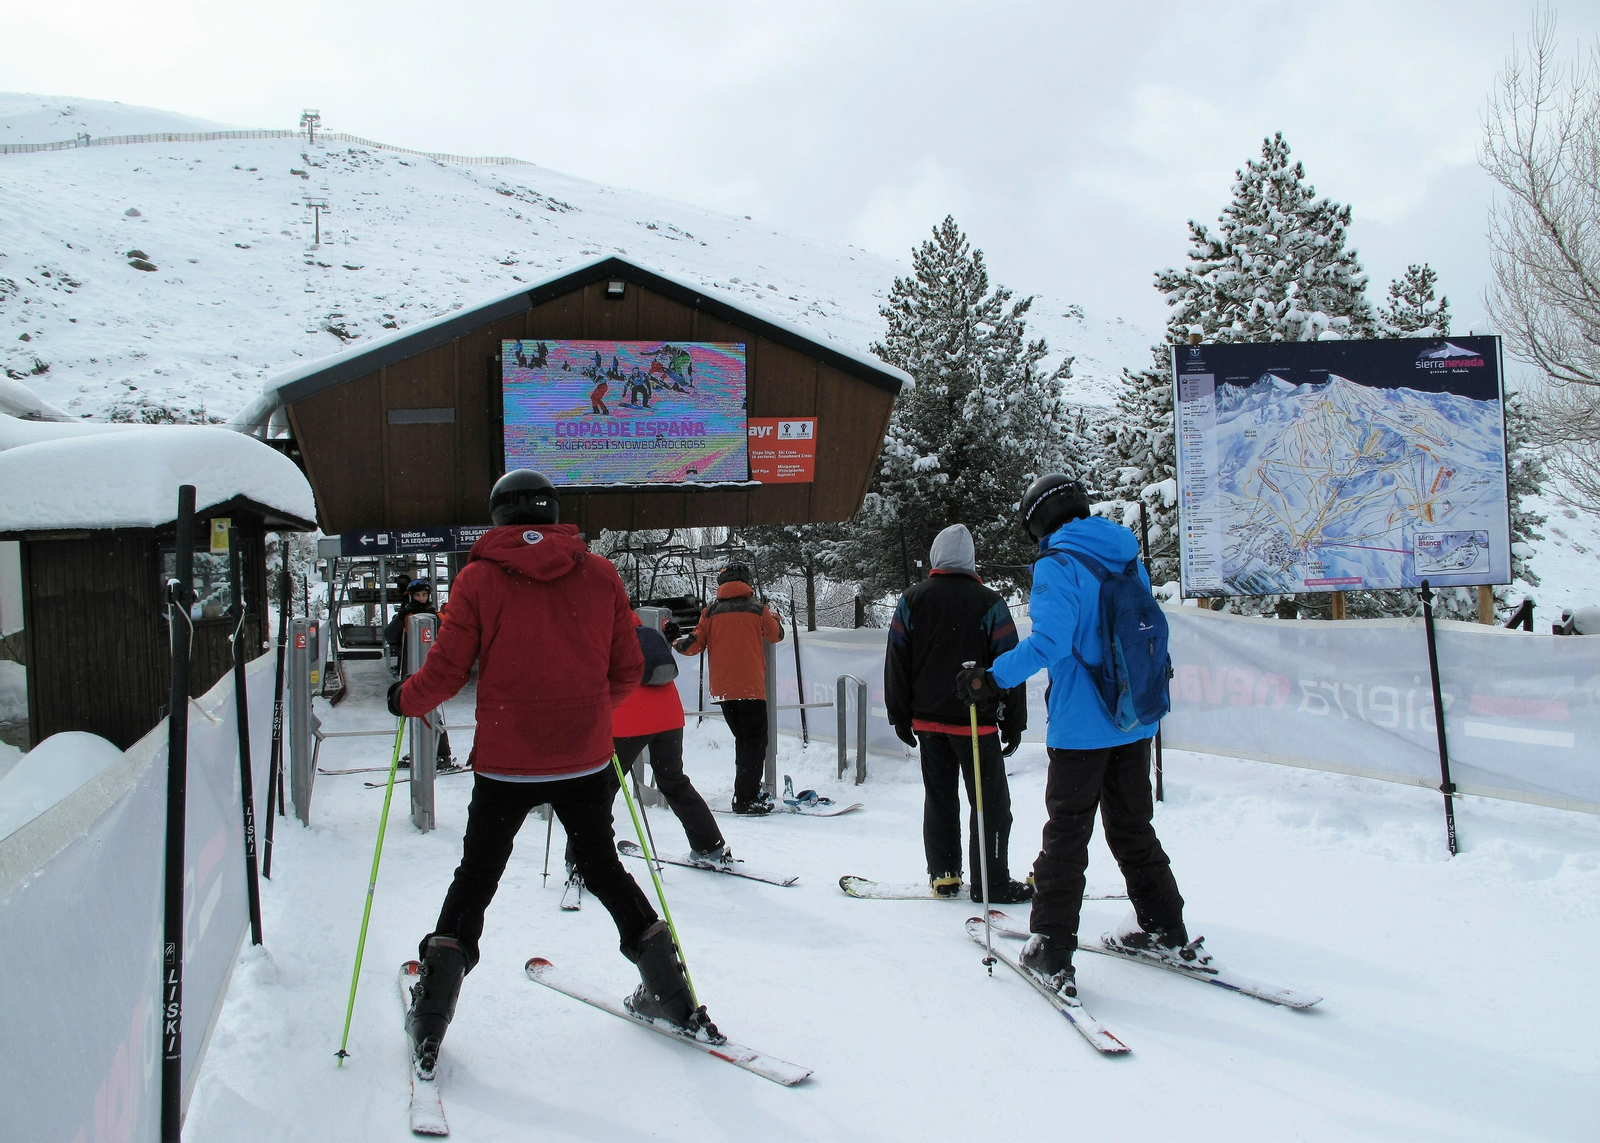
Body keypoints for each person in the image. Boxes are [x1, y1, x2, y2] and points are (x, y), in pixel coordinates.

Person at [388, 469, 718, 1076]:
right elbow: (628, 668)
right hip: (584, 758)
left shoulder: (477, 579)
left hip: (506, 763)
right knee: (604, 868)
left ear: (499, 515)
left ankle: (431, 1018)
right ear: (553, 512)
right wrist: (587, 715)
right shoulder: (599, 573)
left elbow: (447, 671)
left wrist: (403, 699)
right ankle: (673, 998)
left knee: (476, 876)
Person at [958, 474, 1191, 1000]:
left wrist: (990, 677)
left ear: (1038, 522)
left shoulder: (1056, 563)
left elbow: (1050, 644)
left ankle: (1051, 948)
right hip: (1133, 718)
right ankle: (1164, 925)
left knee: (1066, 836)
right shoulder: (1126, 554)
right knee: (1132, 827)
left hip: (1081, 726)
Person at [885, 524, 1031, 904]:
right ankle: (991, 882)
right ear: (970, 560)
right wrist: (1013, 721)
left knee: (940, 799)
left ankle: (944, 874)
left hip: (928, 721)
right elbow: (1010, 662)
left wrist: (899, 714)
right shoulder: (989, 603)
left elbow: (896, 660)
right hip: (975, 723)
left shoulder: (911, 600)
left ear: (936, 556)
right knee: (989, 804)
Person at [565, 615, 728, 896]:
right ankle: (709, 846)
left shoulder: (600, 637)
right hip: (668, 718)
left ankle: (584, 860)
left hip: (627, 721)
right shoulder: (648, 634)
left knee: (600, 789)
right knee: (674, 781)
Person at [673, 564, 783, 814]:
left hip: (723, 690)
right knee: (755, 743)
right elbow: (776, 635)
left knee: (743, 741)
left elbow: (692, 646)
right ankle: (745, 798)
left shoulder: (710, 612)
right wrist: (775, 618)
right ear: (747, 582)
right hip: (751, 688)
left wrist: (673, 639)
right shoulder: (757, 609)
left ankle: (745, 791)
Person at [384, 578, 455, 769]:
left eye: (424, 595)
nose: (421, 598)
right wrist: (400, 618)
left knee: (430, 710)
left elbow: (449, 635)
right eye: (417, 595)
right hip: (410, 667)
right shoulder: (406, 615)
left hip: (430, 669)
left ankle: (442, 753)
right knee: (413, 710)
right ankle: (421, 748)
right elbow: (390, 635)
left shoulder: (435, 615)